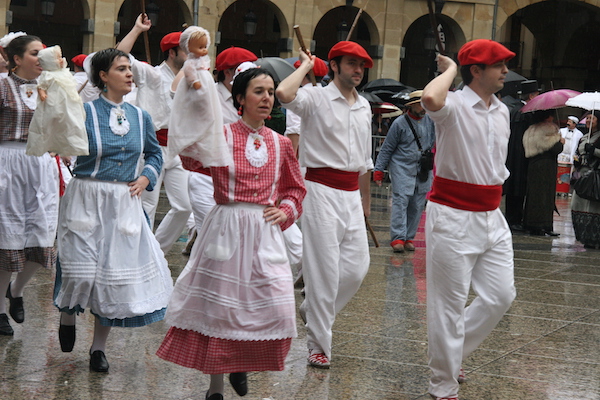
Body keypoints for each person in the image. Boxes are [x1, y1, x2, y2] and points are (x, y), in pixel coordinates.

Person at [156, 68, 306, 400]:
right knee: (221, 309)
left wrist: (286, 211)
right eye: (258, 91)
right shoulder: (221, 136)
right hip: (226, 226)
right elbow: (188, 156)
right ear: (240, 98)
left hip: (264, 231)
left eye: (270, 91)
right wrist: (196, 99)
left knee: (274, 305)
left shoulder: (281, 144)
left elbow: (296, 190)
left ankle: (241, 361)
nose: (267, 98)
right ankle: (215, 388)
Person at [53, 48, 173, 372]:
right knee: (79, 270)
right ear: (103, 76)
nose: (129, 74)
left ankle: (98, 349)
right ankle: (68, 312)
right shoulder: (85, 111)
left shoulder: (140, 116)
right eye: (122, 68)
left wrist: (145, 178)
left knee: (111, 279)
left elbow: (154, 154)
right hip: (86, 195)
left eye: (130, 68)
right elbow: (59, 139)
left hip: (122, 201)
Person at [421, 39, 517, 400]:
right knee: (448, 304)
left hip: (492, 215)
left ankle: (454, 353)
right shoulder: (455, 106)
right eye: (499, 65)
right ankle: (443, 384)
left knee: (500, 295)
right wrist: (449, 70)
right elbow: (429, 99)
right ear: (476, 71)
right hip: (453, 215)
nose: (506, 71)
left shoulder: (503, 111)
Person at [276, 41, 374, 369]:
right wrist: (305, 65)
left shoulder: (364, 106)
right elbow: (283, 94)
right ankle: (318, 344)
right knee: (323, 271)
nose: (358, 70)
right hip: (318, 190)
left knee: (357, 268)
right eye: (350, 63)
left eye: (361, 65)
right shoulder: (315, 97)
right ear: (334, 66)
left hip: (349, 194)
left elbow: (364, 161)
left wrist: (364, 200)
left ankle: (314, 311)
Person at [116, 15, 193, 255]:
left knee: (184, 206)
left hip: (177, 149)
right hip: (152, 149)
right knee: (146, 205)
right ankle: (138, 253)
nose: (190, 56)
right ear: (172, 52)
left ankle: (155, 251)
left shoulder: (189, 77)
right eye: (186, 51)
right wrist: (137, 29)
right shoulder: (151, 74)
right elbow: (119, 54)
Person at [0, 33, 59, 337]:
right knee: (9, 240)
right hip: (8, 160)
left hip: (41, 163)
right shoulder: (2, 85)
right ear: (17, 59)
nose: (42, 58)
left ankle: (17, 290)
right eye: (35, 53)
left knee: (42, 238)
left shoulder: (50, 86)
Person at [180, 46, 258, 255]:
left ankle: (196, 231)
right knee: (214, 241)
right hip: (206, 173)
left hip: (236, 177)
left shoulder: (251, 98)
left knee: (230, 239)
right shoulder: (207, 93)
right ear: (228, 72)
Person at [373, 90, 435, 252]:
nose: (423, 109)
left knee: (417, 204)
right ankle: (398, 237)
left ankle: (409, 237)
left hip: (422, 169)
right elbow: (387, 149)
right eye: (421, 105)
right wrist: (379, 169)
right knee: (401, 202)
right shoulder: (399, 123)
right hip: (402, 168)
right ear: (412, 106)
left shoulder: (430, 121)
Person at [27, 45, 88, 157]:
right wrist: (42, 93)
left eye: (61, 57)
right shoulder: (47, 74)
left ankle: (72, 146)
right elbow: (41, 86)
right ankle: (50, 145)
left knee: (71, 123)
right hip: (54, 102)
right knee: (50, 124)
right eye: (58, 58)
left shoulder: (65, 73)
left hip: (69, 103)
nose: (62, 60)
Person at [503, 79, 540, 231]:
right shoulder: (521, 112)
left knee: (518, 187)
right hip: (518, 157)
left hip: (517, 156)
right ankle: (513, 219)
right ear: (531, 96)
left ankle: (516, 218)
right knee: (516, 187)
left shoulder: (519, 110)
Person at [522, 110, 564, 236]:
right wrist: (560, 141)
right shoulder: (549, 128)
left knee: (534, 194)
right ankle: (544, 225)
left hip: (533, 165)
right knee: (545, 195)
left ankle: (531, 223)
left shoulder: (531, 129)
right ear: (549, 116)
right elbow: (555, 149)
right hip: (546, 166)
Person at [571, 112, 600, 248]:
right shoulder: (583, 138)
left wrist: (594, 151)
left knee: (593, 207)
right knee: (577, 205)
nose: (588, 120)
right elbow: (578, 153)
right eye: (587, 118)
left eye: (592, 118)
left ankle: (595, 238)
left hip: (595, 177)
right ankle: (584, 236)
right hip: (582, 176)